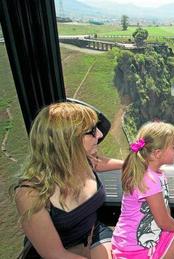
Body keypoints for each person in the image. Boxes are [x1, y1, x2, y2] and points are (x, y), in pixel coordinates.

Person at [11, 102, 124, 258]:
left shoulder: (82, 160)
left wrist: (127, 165)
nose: (99, 134)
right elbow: (55, 254)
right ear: (67, 140)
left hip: (93, 233)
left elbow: (98, 162)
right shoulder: (30, 194)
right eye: (91, 131)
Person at [111, 121, 174, 259]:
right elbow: (163, 221)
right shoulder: (149, 179)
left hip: (130, 242)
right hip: (138, 249)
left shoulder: (153, 173)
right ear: (157, 153)